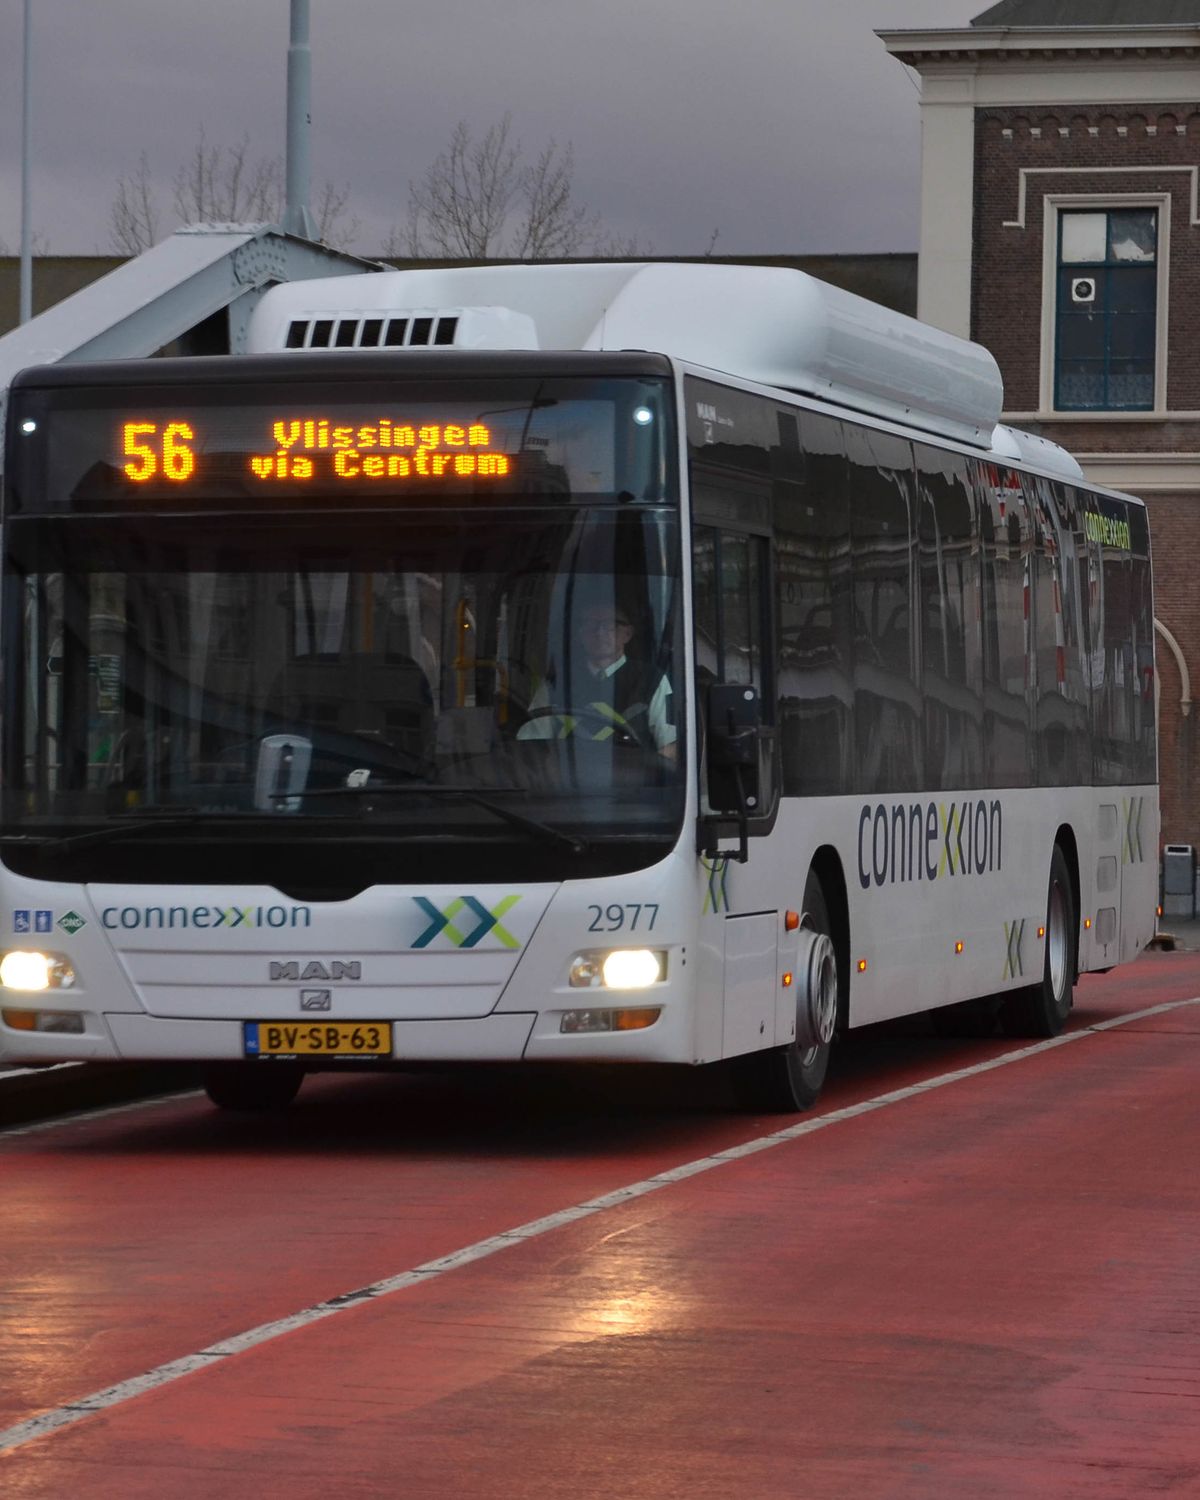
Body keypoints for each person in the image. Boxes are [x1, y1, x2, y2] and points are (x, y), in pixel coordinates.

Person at [518, 601, 677, 761]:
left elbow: (670, 746)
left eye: (610, 625)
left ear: (627, 633)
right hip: (566, 780)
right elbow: (530, 743)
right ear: (580, 633)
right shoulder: (557, 681)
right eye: (590, 624)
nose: (599, 633)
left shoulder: (652, 680)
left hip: (629, 781)